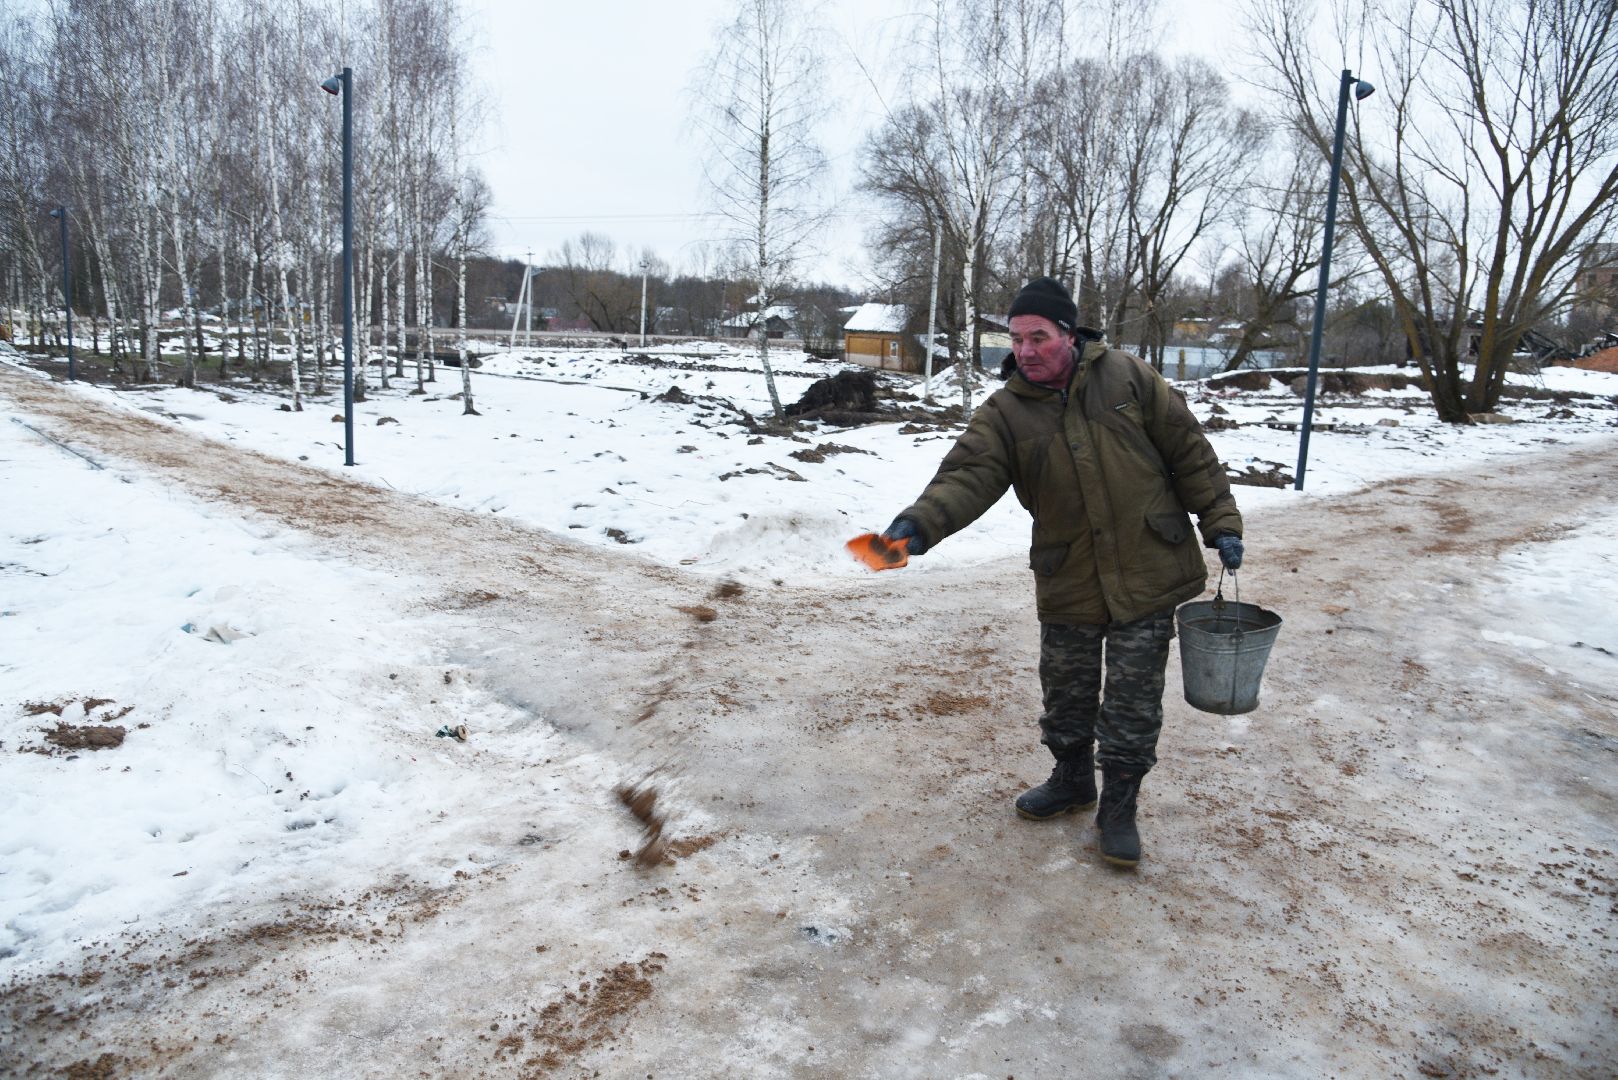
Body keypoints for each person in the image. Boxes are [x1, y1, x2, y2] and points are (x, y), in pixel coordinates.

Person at [883, 276, 1244, 868]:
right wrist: (916, 527)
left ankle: (1120, 808)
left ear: (1069, 335)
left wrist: (1221, 521)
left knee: (1132, 700)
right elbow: (966, 477)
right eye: (1015, 339)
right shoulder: (1004, 412)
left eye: (1038, 337)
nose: (1024, 351)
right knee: (1067, 691)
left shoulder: (1127, 377)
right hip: (1068, 571)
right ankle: (1073, 779)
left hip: (1149, 566)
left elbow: (1190, 451)